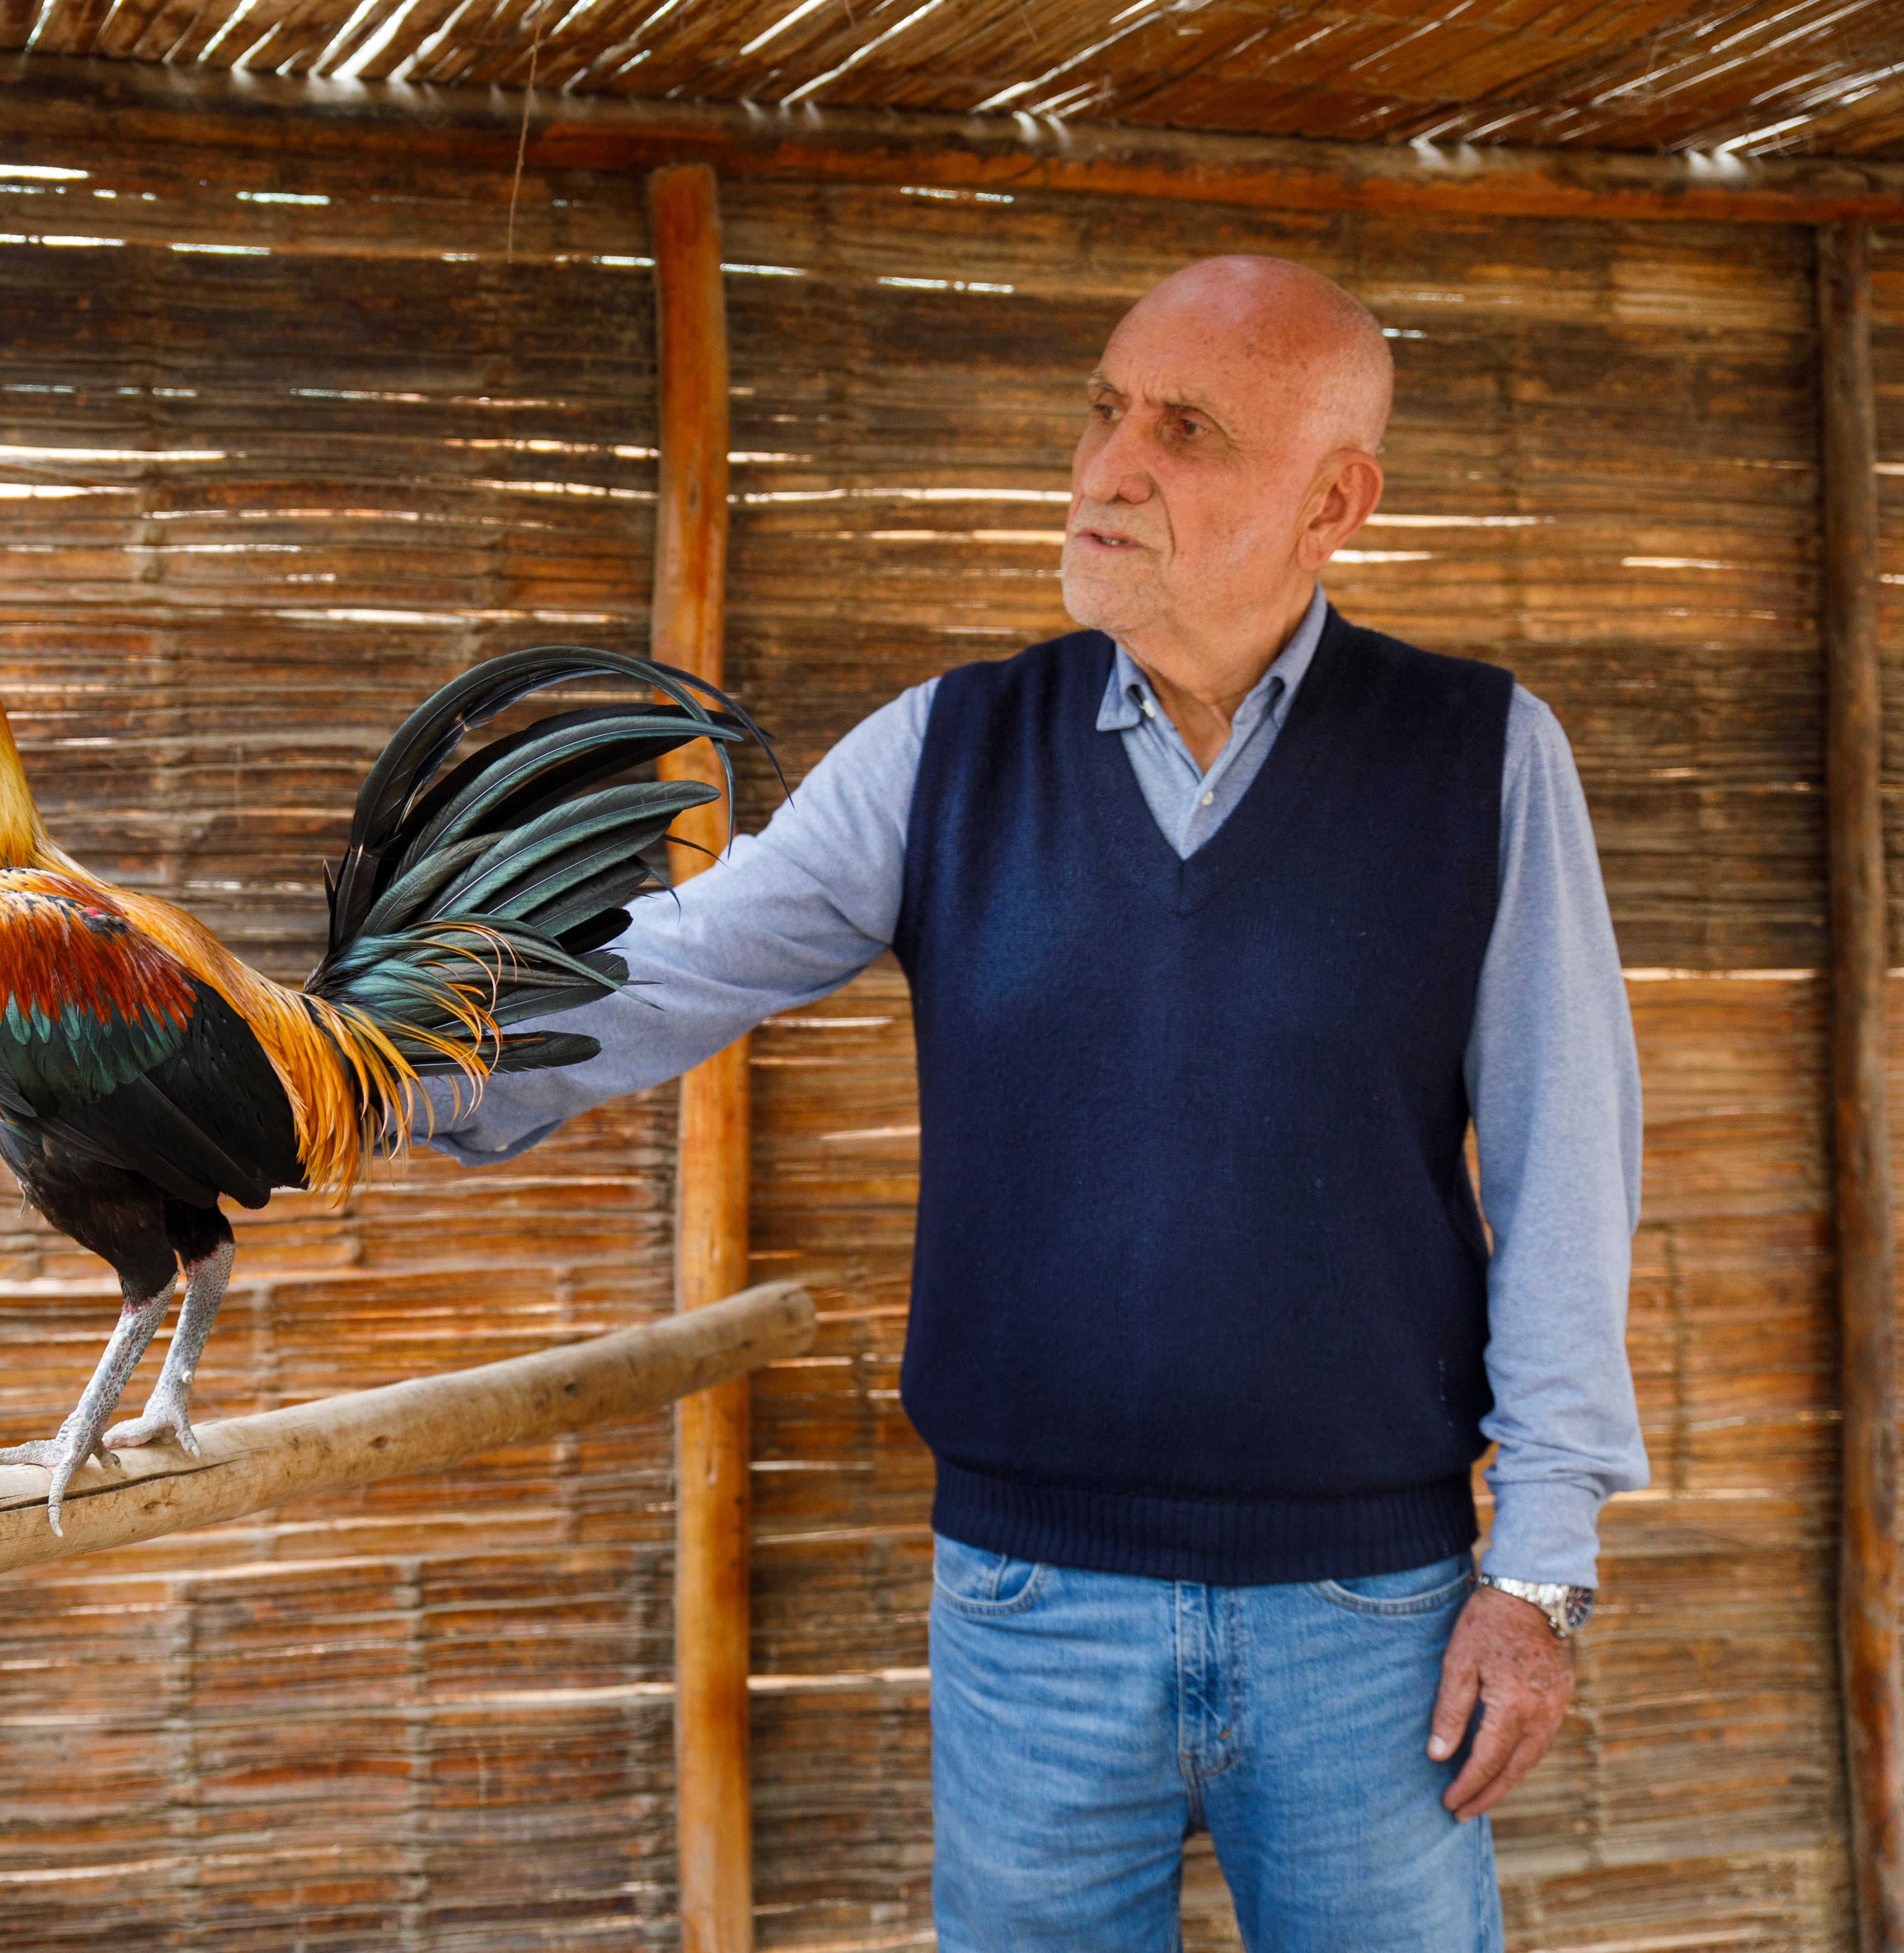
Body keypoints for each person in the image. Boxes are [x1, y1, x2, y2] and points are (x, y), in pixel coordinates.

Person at [424, 254, 1646, 1949]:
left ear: (1334, 502)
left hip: (1372, 1617)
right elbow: (666, 971)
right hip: (1030, 1610)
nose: (1107, 466)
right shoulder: (948, 751)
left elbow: (1565, 1164)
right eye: (1102, 410)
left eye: (1188, 429)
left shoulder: (1485, 758)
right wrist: (344, 1073)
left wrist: (1537, 1571)